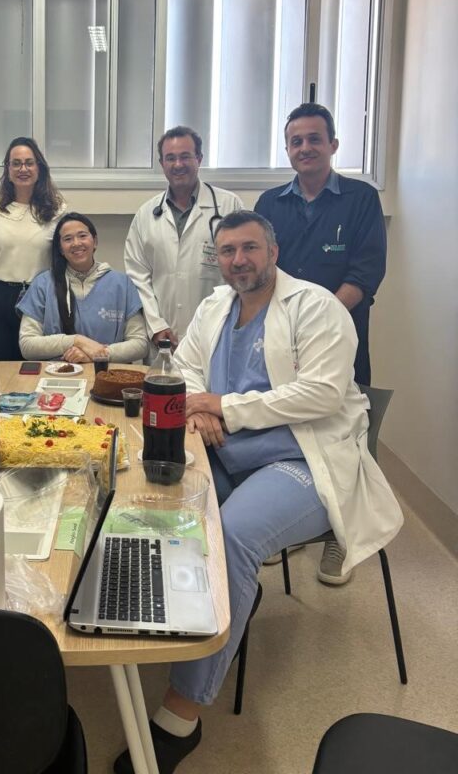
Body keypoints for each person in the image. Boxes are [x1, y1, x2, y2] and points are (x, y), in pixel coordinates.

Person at [113, 211, 402, 774]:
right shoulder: (215, 306)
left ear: (273, 251)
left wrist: (223, 405)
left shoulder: (316, 307)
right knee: (157, 501)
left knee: (234, 536)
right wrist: (203, 408)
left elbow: (321, 393)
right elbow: (187, 367)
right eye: (227, 251)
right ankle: (192, 618)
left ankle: (182, 715)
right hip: (226, 449)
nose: (238, 260)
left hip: (304, 460)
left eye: (249, 248)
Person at [255, 103, 387, 584]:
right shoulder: (271, 204)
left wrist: (317, 323)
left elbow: (366, 273)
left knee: (342, 431)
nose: (305, 147)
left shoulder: (360, 199)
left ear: (333, 144)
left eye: (314, 139)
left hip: (340, 337)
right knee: (285, 427)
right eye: (296, 141)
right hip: (281, 341)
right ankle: (285, 523)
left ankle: (340, 533)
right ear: (287, 149)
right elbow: (261, 269)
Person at [124, 125, 243, 355]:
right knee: (163, 379)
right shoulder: (146, 214)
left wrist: (221, 321)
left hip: (217, 332)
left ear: (199, 158)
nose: (178, 164)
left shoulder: (229, 206)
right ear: (162, 164)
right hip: (162, 338)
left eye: (185, 156)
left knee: (212, 379)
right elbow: (137, 276)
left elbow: (241, 271)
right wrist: (156, 325)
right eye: (170, 158)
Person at [0, 136, 66, 361]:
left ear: (39, 168)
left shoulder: (57, 210)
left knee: (34, 367)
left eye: (29, 163)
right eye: (16, 163)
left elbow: (63, 263)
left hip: (37, 300)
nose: (23, 169)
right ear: (7, 169)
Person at [18, 212, 148, 363]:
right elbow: (27, 345)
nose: (76, 243)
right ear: (60, 249)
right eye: (68, 239)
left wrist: (98, 355)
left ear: (95, 241)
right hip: (55, 374)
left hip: (108, 373)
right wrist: (76, 341)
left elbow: (140, 344)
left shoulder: (122, 284)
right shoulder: (43, 284)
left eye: (82, 236)